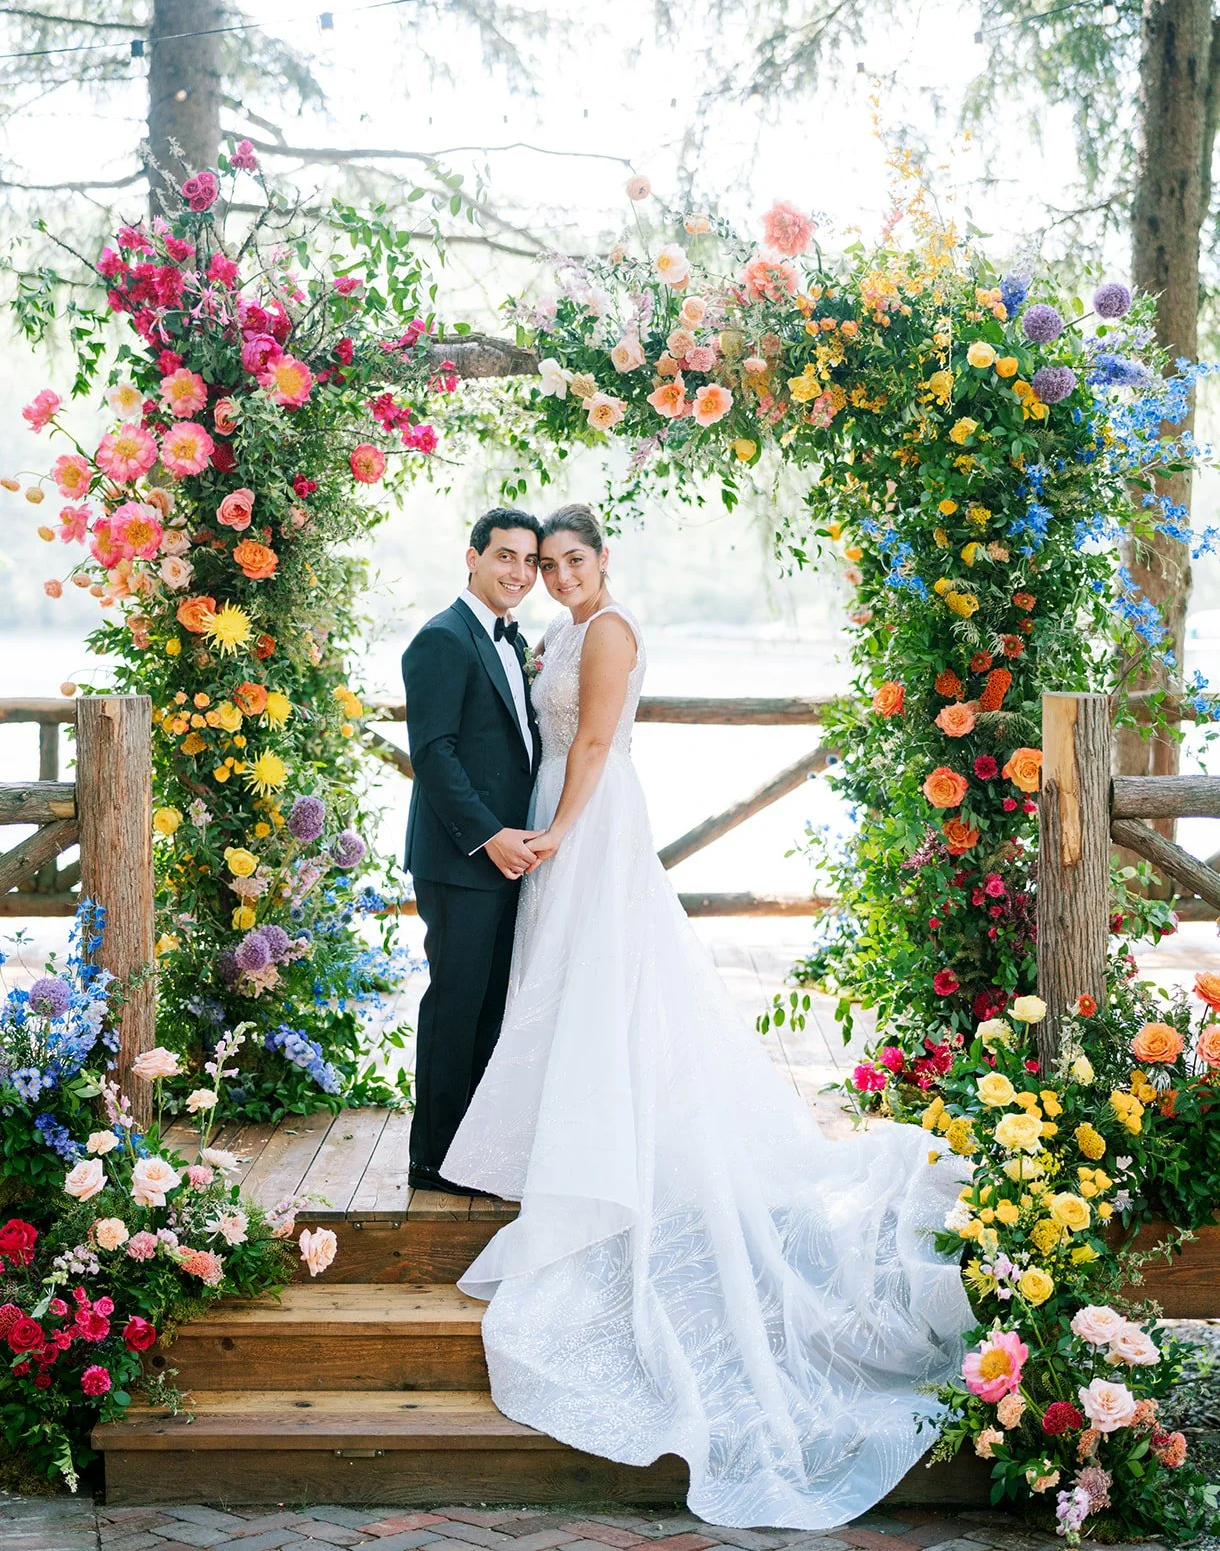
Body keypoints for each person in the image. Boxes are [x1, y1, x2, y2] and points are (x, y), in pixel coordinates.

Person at [441, 502, 975, 1529]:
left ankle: (610, 1155)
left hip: (588, 816)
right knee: (572, 987)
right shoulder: (559, 625)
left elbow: (594, 739)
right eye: (546, 564)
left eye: (571, 560)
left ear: (605, 560)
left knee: (600, 981)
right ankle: (587, 1136)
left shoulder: (607, 630)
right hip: (568, 811)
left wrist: (555, 832)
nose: (557, 575)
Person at [401, 506, 543, 1196]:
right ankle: (432, 1159)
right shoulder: (442, 639)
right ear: (473, 557)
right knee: (456, 1004)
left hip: (509, 854)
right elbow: (433, 753)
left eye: (528, 561)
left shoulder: (507, 639)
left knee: (490, 1005)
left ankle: (472, 1151)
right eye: (504, 557)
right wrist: (490, 836)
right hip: (462, 858)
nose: (518, 572)